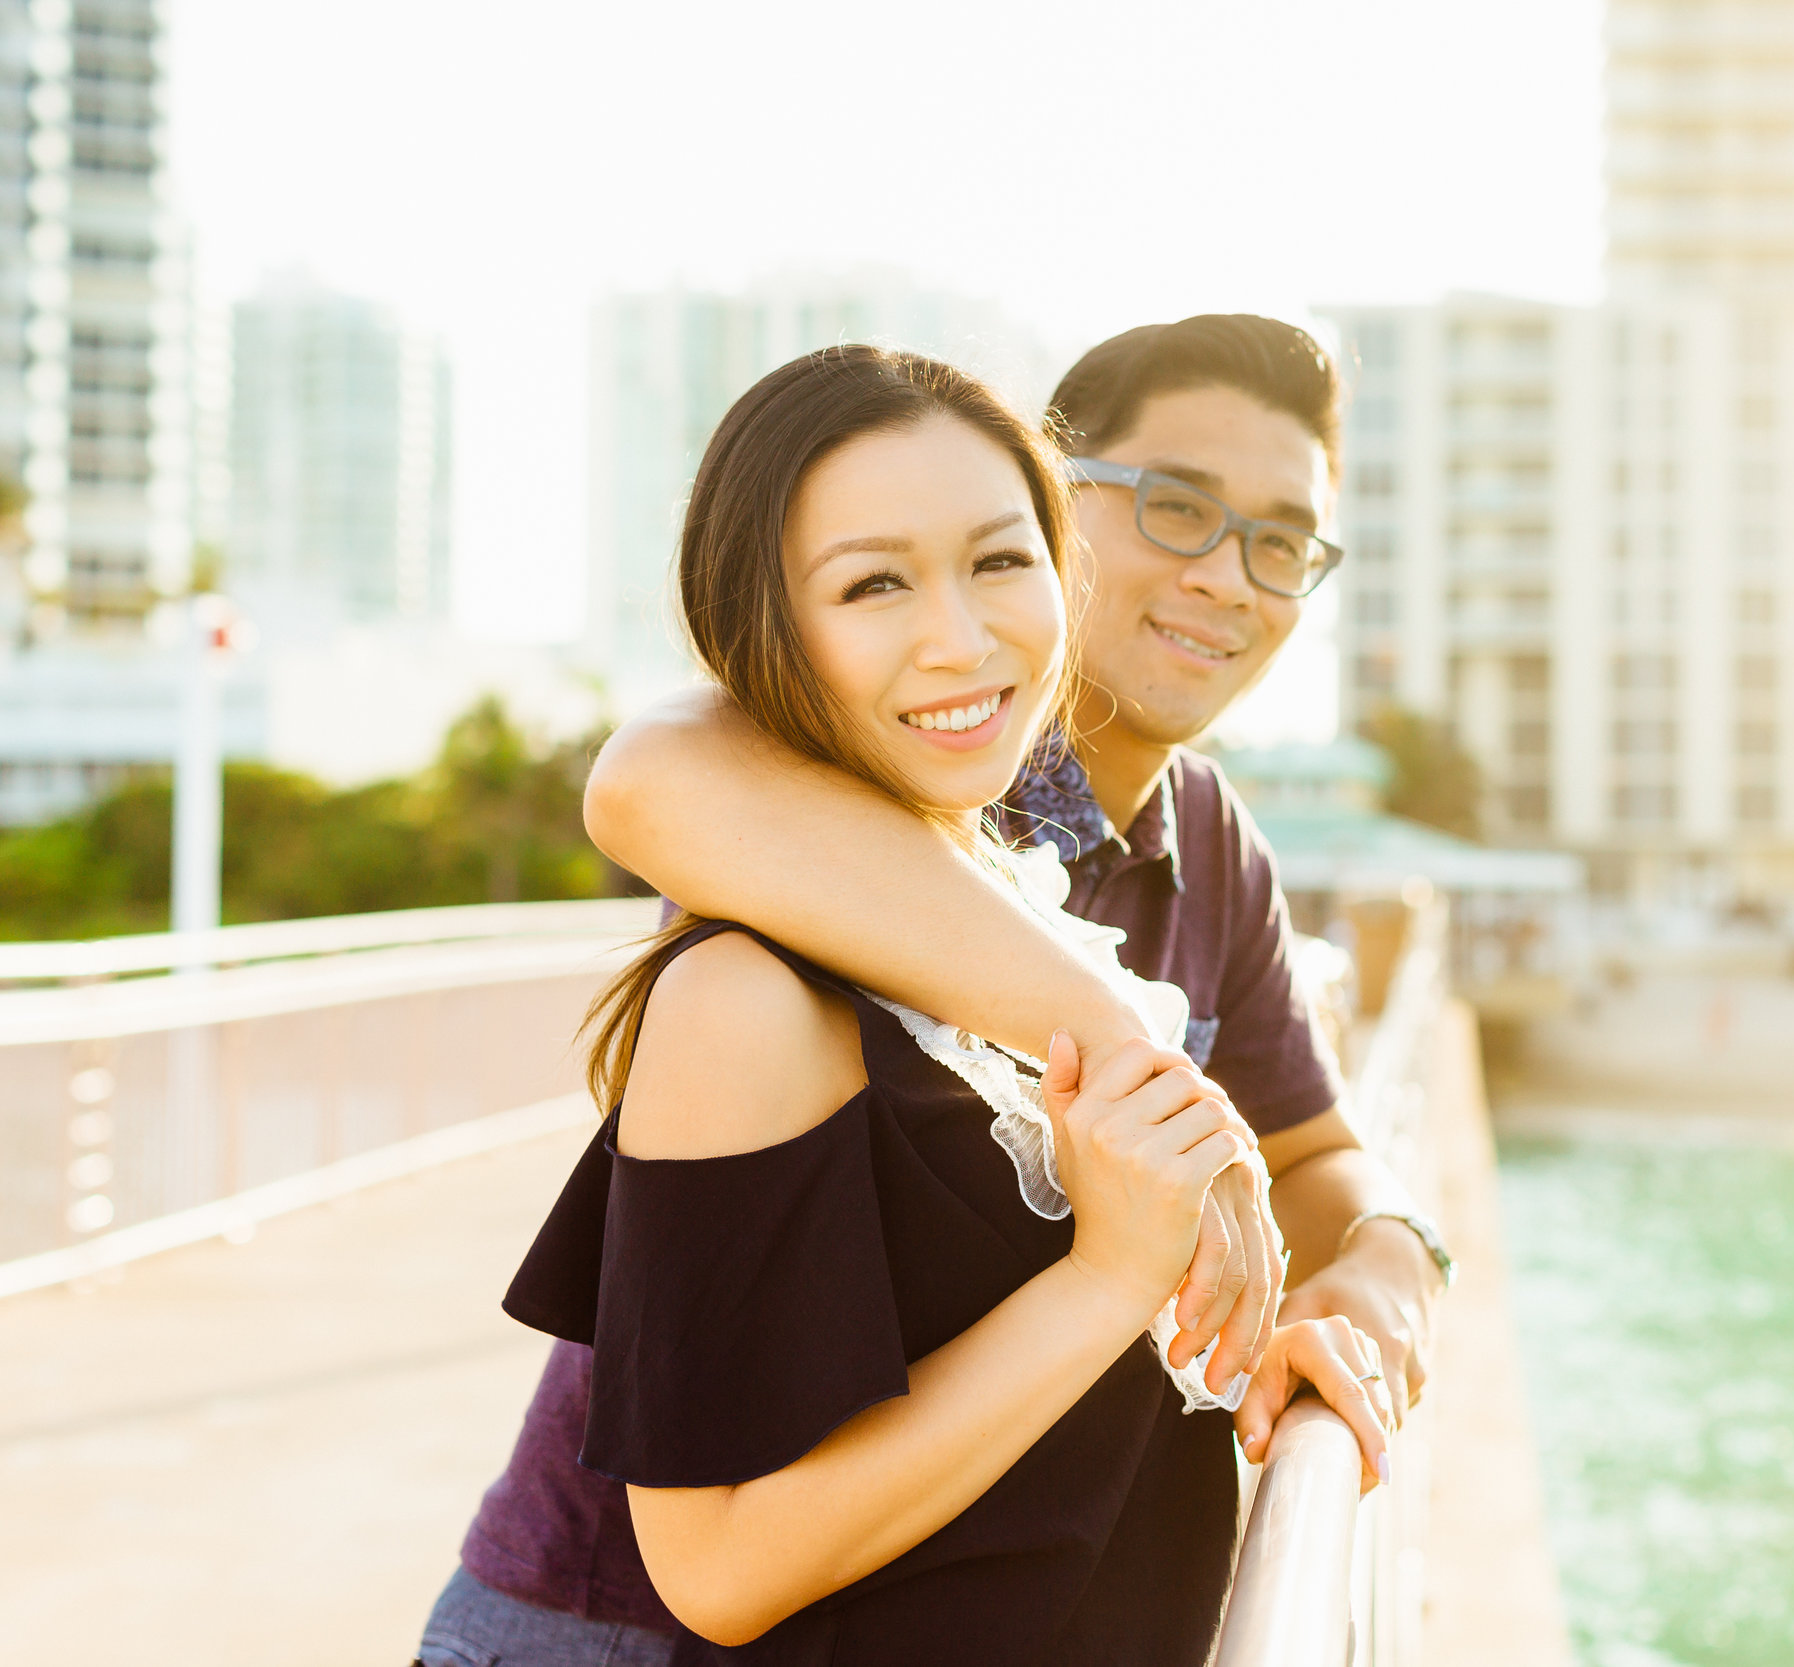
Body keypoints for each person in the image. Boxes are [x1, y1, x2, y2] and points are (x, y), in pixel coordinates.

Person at [419, 318, 1451, 1663]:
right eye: (1179, 509)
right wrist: (1131, 1049)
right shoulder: (852, 794)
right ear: (1065, 499)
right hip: (627, 1620)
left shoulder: (1202, 836)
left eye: (1279, 541)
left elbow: (1311, 1145)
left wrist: (1387, 1261)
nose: (1227, 577)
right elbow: (647, 782)